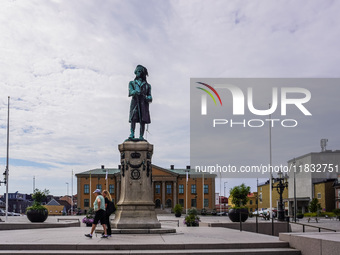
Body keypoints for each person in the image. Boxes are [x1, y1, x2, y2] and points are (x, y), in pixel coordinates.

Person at [128, 65, 152, 140]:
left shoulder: (148, 85)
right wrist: (134, 92)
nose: (139, 72)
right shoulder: (132, 83)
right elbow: (130, 92)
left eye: (140, 71)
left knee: (143, 120)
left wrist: (148, 98)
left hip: (143, 104)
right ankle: (132, 133)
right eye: (138, 71)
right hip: (135, 102)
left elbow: (150, 96)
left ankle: (141, 135)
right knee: (133, 118)